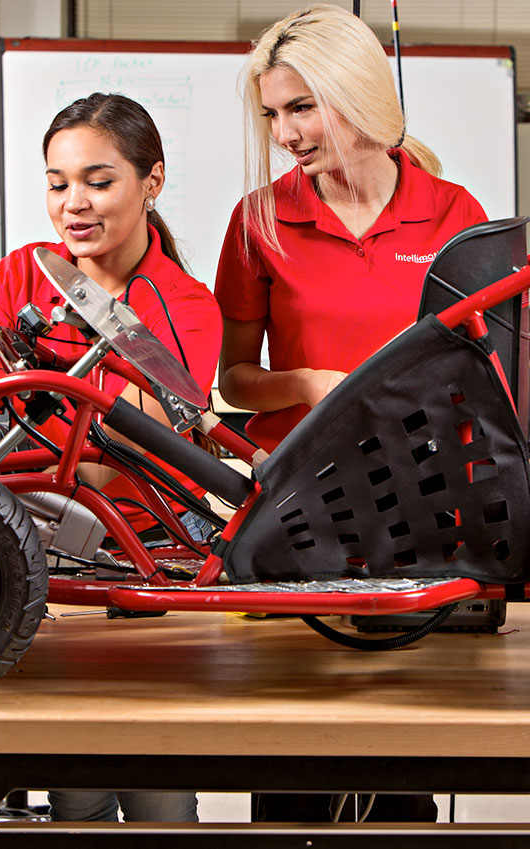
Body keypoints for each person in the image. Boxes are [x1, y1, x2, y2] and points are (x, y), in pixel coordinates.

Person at [213, 4, 487, 822]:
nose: (287, 132)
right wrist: (300, 383)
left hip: (419, 503)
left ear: (357, 94)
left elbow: (486, 373)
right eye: (273, 113)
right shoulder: (260, 218)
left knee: (401, 760)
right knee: (293, 761)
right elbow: (231, 379)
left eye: (303, 107)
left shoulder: (452, 214)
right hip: (298, 506)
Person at [0, 92, 222, 823]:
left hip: (148, 572)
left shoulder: (186, 303)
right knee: (74, 799)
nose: (74, 204)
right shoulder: (20, 275)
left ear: (151, 182)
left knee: (162, 803)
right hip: (38, 567)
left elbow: (146, 438)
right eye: (58, 183)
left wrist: (29, 398)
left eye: (99, 181)